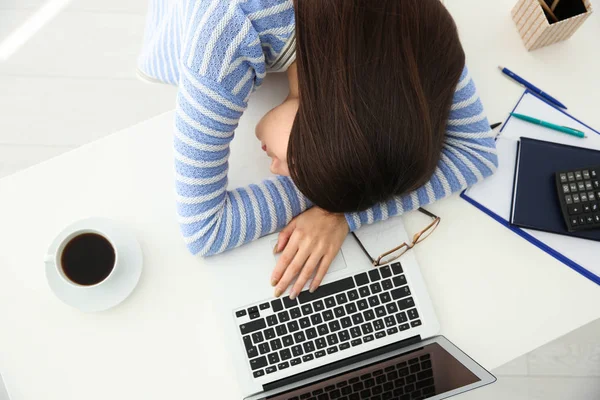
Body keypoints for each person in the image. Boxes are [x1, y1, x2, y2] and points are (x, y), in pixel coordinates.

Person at [138, 0, 498, 299]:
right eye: (301, 168)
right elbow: (204, 230)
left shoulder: (408, 28)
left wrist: (341, 210)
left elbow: (477, 152)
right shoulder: (225, 34)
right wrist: (338, 192)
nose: (279, 172)